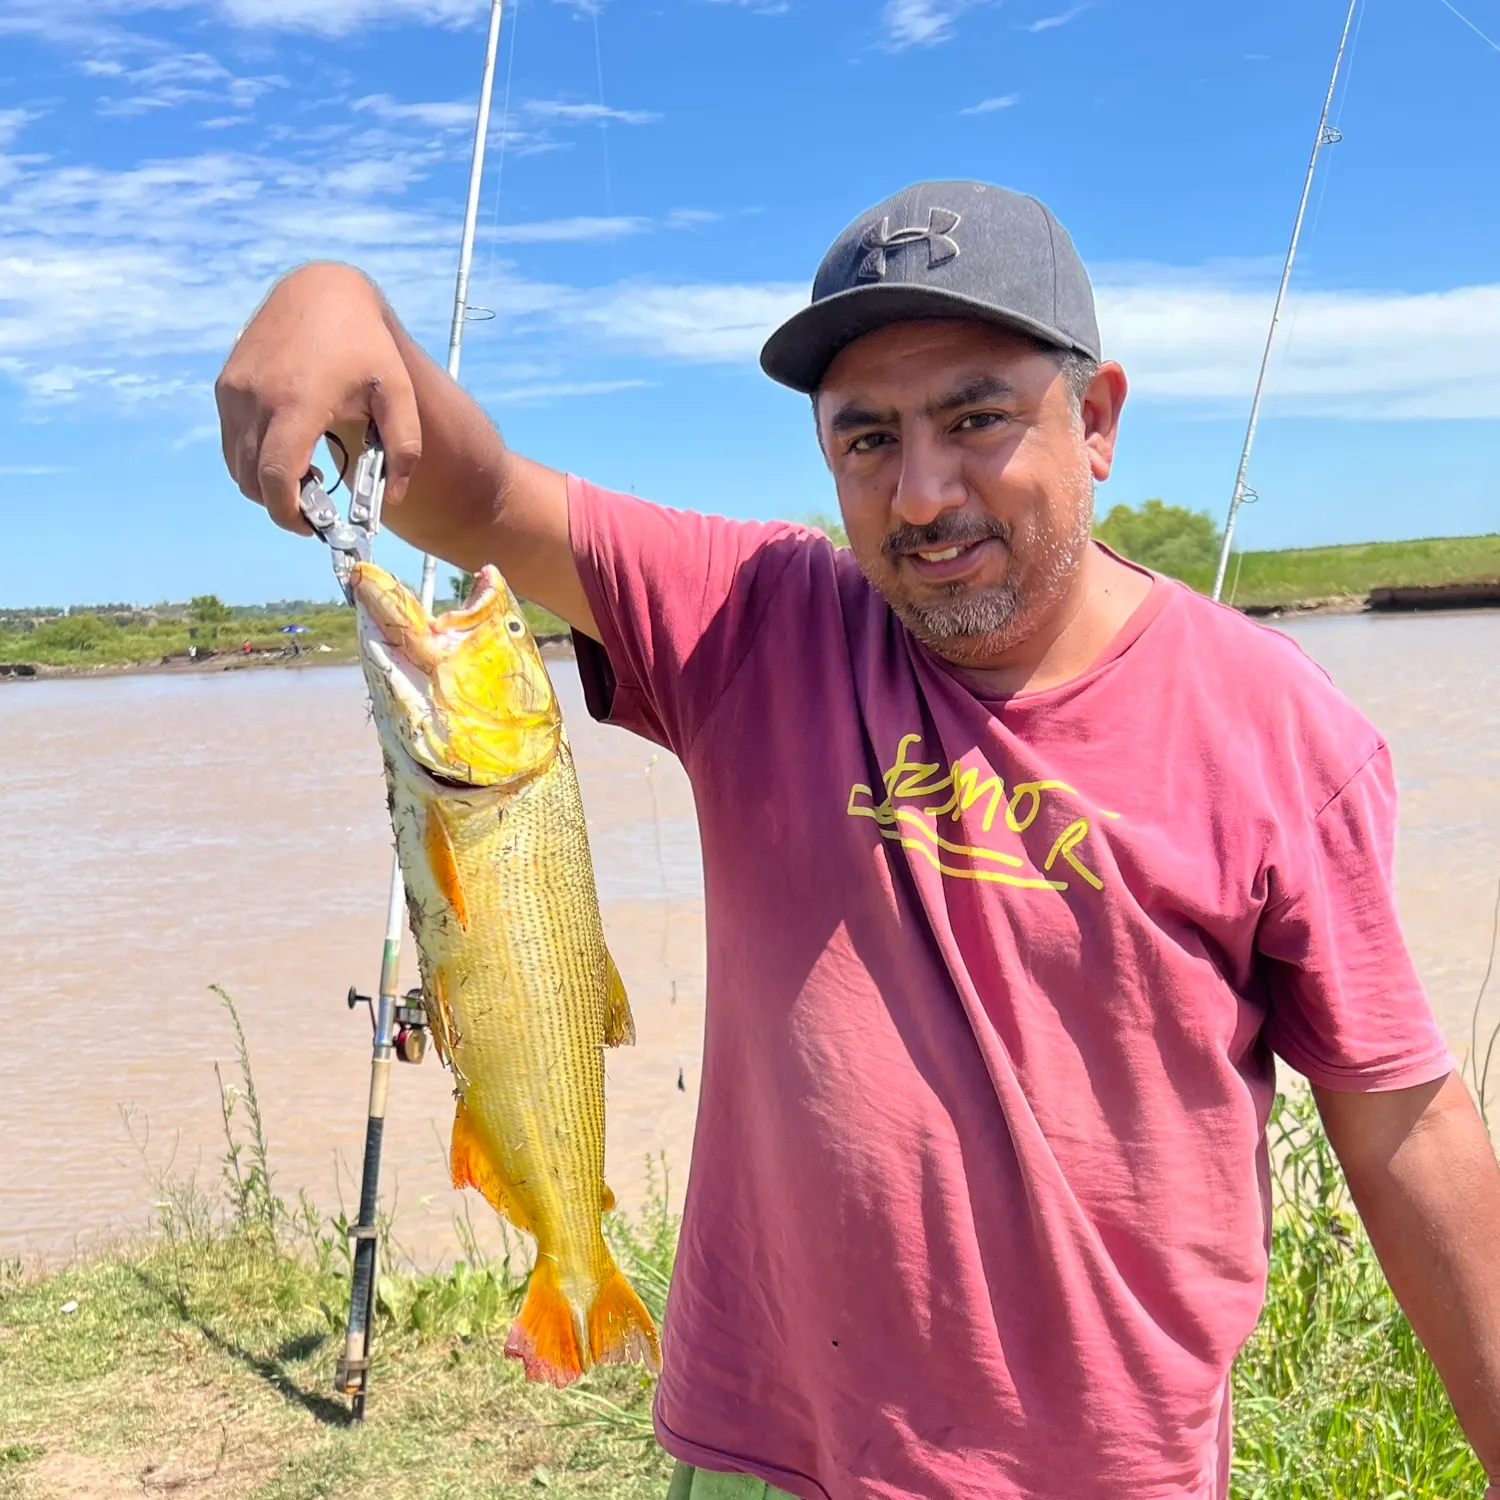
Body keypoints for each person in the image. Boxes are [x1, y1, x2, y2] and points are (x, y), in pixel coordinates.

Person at [215, 180, 1500, 1500]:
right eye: (868, 438)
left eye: (977, 418)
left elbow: (1404, 1128)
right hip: (771, 1454)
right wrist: (343, 303)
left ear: (1097, 419)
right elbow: (478, 500)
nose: (926, 489)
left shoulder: (1278, 728)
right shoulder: (763, 622)